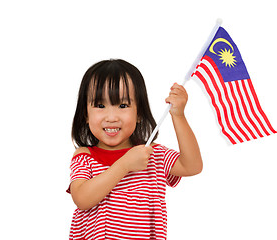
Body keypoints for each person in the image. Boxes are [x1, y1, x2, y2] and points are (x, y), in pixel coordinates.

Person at [67, 59, 202, 240]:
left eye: (123, 106)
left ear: (139, 113)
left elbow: (192, 166)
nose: (112, 117)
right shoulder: (85, 156)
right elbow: (82, 199)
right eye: (100, 106)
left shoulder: (152, 154)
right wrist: (124, 165)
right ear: (85, 114)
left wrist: (178, 116)